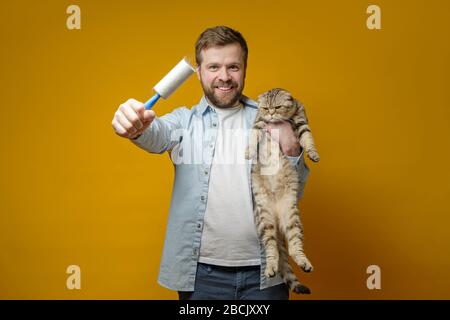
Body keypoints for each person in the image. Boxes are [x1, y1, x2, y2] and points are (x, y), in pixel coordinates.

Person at [111, 26, 310, 300]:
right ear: (199, 70)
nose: (224, 77)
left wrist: (291, 148)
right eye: (214, 66)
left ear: (245, 68)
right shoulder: (183, 121)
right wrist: (133, 126)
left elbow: (291, 196)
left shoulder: (270, 121)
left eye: (233, 67)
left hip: (266, 272)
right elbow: (153, 134)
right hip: (201, 277)